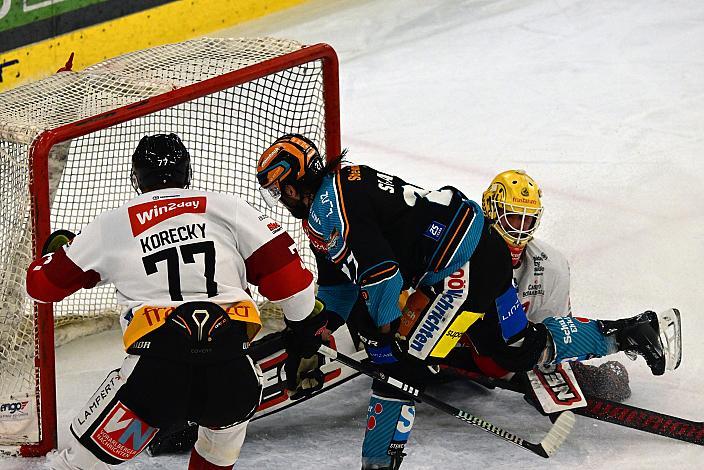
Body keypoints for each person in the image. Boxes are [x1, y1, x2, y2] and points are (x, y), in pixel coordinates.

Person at [256, 134, 682, 470]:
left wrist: (385, 338)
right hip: (483, 248)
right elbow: (339, 286)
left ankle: (378, 464)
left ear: (300, 176)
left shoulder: (330, 206)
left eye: (281, 188)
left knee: (400, 365)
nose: (282, 198)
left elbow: (382, 273)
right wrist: (318, 325)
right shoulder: (333, 198)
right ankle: (630, 331)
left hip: (460, 271)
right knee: (515, 348)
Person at [26, 133, 319, 470]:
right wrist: (301, 336)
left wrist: (61, 253)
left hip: (154, 380)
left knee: (74, 466)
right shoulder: (229, 207)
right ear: (188, 174)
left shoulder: (112, 223)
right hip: (233, 374)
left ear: (136, 180)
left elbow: (40, 288)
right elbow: (296, 288)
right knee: (216, 453)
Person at [444, 169, 631, 401]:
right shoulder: (460, 250)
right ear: (492, 211)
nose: (520, 228)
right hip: (447, 352)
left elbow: (551, 329)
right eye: (512, 217)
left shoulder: (551, 264)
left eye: (527, 218)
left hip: (506, 355)